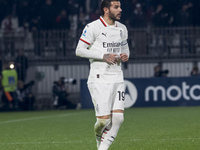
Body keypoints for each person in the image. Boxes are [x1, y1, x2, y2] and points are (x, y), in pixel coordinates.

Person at [75, 0, 130, 149]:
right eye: (116, 7)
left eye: (120, 6)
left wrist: (126, 56)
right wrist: (102, 55)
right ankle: (99, 137)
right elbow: (79, 50)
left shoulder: (122, 29)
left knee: (118, 118)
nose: (120, 10)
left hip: (117, 77)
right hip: (99, 78)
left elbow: (125, 48)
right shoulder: (93, 27)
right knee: (104, 122)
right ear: (106, 10)